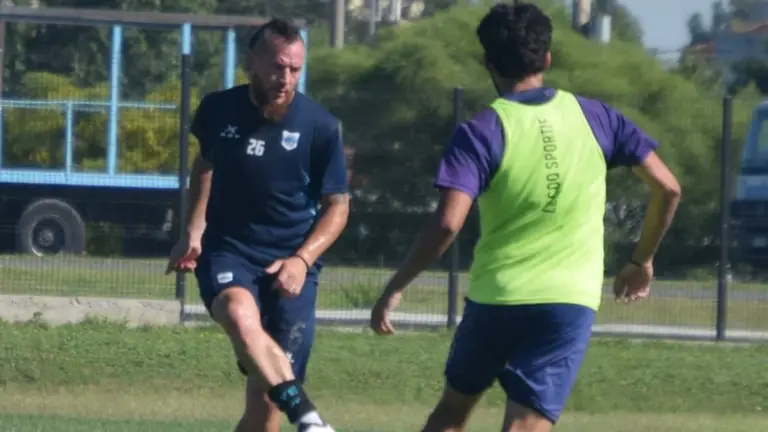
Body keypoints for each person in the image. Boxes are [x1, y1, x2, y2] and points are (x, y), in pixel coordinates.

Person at [369, 3, 681, 432]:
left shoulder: (481, 131)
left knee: (451, 414)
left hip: (495, 297)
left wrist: (396, 286)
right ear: (547, 58)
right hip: (566, 301)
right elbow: (669, 188)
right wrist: (641, 260)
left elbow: (447, 223)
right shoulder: (597, 118)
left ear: (489, 64)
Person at [165, 18, 349, 432]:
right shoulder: (217, 109)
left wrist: (301, 260)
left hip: (292, 265)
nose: (286, 79)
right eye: (278, 67)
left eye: (295, 69)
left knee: (265, 407)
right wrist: (193, 230)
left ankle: (300, 415)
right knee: (237, 312)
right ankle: (309, 419)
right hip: (229, 252)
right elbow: (206, 164)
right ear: (251, 61)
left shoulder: (321, 127)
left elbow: (338, 207)